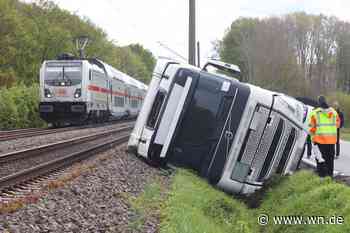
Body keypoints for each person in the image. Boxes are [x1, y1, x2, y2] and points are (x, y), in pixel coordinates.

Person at [309, 96, 340, 177]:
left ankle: (322, 177)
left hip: (320, 141)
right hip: (331, 141)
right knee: (330, 161)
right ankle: (329, 176)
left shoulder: (314, 113)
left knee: (321, 160)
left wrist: (313, 138)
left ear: (318, 103)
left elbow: (312, 128)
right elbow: (338, 125)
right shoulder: (334, 112)